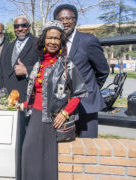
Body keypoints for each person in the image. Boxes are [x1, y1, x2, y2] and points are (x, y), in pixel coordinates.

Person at [21, 20, 87, 180]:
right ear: (43, 39)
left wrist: (65, 113)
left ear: (61, 41)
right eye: (49, 38)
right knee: (28, 153)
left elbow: (79, 92)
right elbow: (37, 92)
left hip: (53, 120)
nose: (52, 42)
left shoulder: (67, 64)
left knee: (48, 159)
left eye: (57, 38)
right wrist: (23, 104)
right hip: (35, 117)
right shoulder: (39, 63)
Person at [53, 4, 110, 138]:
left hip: (87, 106)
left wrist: (89, 89)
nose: (65, 22)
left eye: (69, 18)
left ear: (75, 20)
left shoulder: (88, 41)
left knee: (88, 147)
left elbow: (103, 71)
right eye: (61, 19)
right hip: (62, 107)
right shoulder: (54, 43)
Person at [0, 15, 38, 103]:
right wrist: (0, 97)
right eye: (16, 26)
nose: (20, 29)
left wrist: (27, 70)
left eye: (23, 25)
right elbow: (2, 73)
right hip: (7, 100)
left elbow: (46, 68)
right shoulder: (8, 47)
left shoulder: (38, 44)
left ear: (29, 26)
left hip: (27, 100)